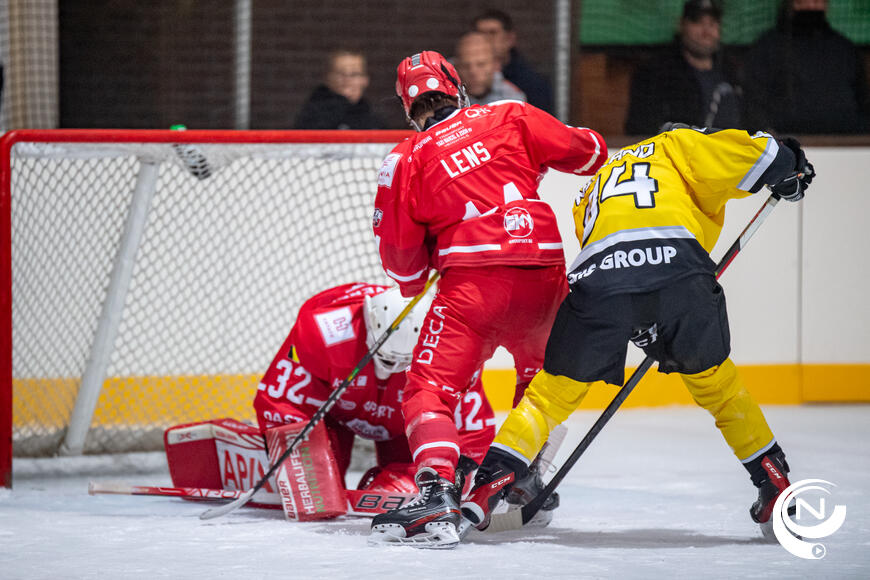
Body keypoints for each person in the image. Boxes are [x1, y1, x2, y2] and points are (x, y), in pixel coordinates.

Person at [461, 124, 815, 540]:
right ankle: (773, 481)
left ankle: (490, 481)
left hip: (599, 281)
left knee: (547, 399)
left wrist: (642, 322)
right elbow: (764, 154)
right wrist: (792, 165)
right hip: (678, 270)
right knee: (720, 388)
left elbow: (614, 261)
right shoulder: (676, 144)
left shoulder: (594, 184)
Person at [367, 50, 606, 547]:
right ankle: (524, 476)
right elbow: (590, 153)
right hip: (544, 278)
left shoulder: (405, 158)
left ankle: (436, 492)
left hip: (471, 290)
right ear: (456, 86)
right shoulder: (510, 115)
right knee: (540, 384)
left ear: (409, 109)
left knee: (428, 390)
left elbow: (402, 267)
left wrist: (423, 269)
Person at [253, 282, 495, 494]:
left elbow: (470, 430)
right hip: (334, 418)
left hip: (409, 426)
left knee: (420, 486)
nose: (389, 370)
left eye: (402, 363)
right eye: (386, 360)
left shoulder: (450, 350)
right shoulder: (327, 331)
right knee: (315, 486)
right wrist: (291, 449)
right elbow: (283, 400)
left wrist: (457, 470)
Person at [742, 0, 868, 134]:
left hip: (846, 139)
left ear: (826, 5)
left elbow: (862, 100)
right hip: (786, 140)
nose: (811, 7)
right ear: (792, 5)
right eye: (803, 2)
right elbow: (754, 102)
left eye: (817, 2)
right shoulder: (768, 47)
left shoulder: (844, 49)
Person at [625, 0, 741, 135]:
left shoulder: (731, 71)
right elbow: (640, 128)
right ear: (682, 24)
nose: (706, 32)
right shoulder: (656, 72)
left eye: (712, 24)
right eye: (698, 22)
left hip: (729, 146)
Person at [473, 9, 554, 113]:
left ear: (509, 39)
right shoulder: (462, 74)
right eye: (480, 34)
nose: (485, 39)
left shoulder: (531, 83)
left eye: (492, 33)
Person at [293, 50, 384, 130]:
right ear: (328, 78)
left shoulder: (373, 118)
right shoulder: (312, 115)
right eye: (340, 73)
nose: (347, 80)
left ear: (365, 80)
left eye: (354, 74)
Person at [454, 31, 526, 105]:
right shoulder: (448, 98)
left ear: (496, 65)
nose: (473, 72)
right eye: (465, 66)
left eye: (481, 65)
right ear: (456, 67)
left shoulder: (512, 99)